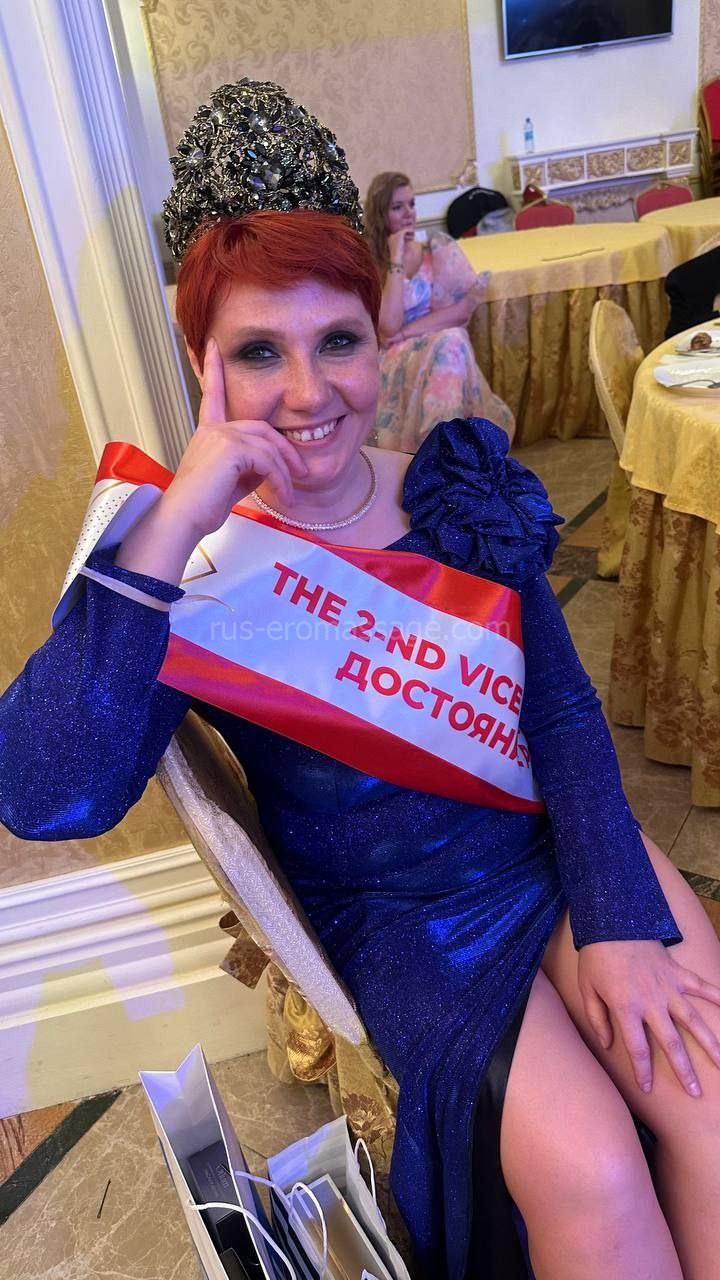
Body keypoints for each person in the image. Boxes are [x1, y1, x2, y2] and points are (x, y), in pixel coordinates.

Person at [2, 81, 720, 1280]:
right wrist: (177, 516)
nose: (306, 392)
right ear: (200, 357)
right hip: (403, 919)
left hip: (554, 841)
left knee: (707, 1088)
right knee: (592, 1166)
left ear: (376, 332)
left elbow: (556, 709)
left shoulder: (454, 485)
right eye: (257, 351)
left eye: (335, 339)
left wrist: (615, 921)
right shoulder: (191, 564)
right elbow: (46, 793)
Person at [363, 171, 515, 452]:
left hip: (428, 339)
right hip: (391, 355)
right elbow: (388, 327)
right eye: (397, 207)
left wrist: (407, 332)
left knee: (453, 338)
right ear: (379, 212)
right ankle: (445, 447)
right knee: (451, 342)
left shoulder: (432, 251)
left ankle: (443, 442)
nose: (409, 213)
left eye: (411, 204)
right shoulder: (369, 260)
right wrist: (396, 257)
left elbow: (460, 312)